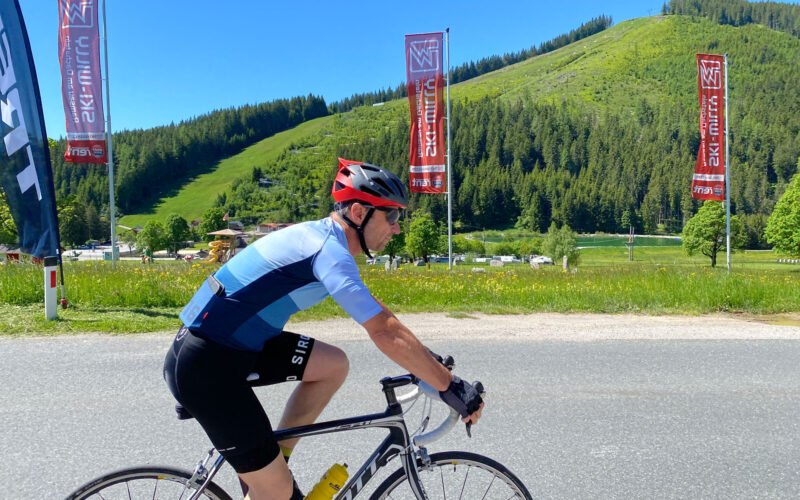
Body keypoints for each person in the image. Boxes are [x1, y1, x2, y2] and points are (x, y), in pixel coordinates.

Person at [163, 158, 484, 500]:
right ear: (359, 213)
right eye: (391, 216)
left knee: (332, 365)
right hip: (207, 366)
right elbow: (384, 331)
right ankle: (272, 485)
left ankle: (276, 461)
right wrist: (450, 385)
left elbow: (380, 315)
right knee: (279, 492)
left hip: (228, 346)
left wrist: (427, 363)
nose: (397, 228)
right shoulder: (327, 251)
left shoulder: (325, 241)